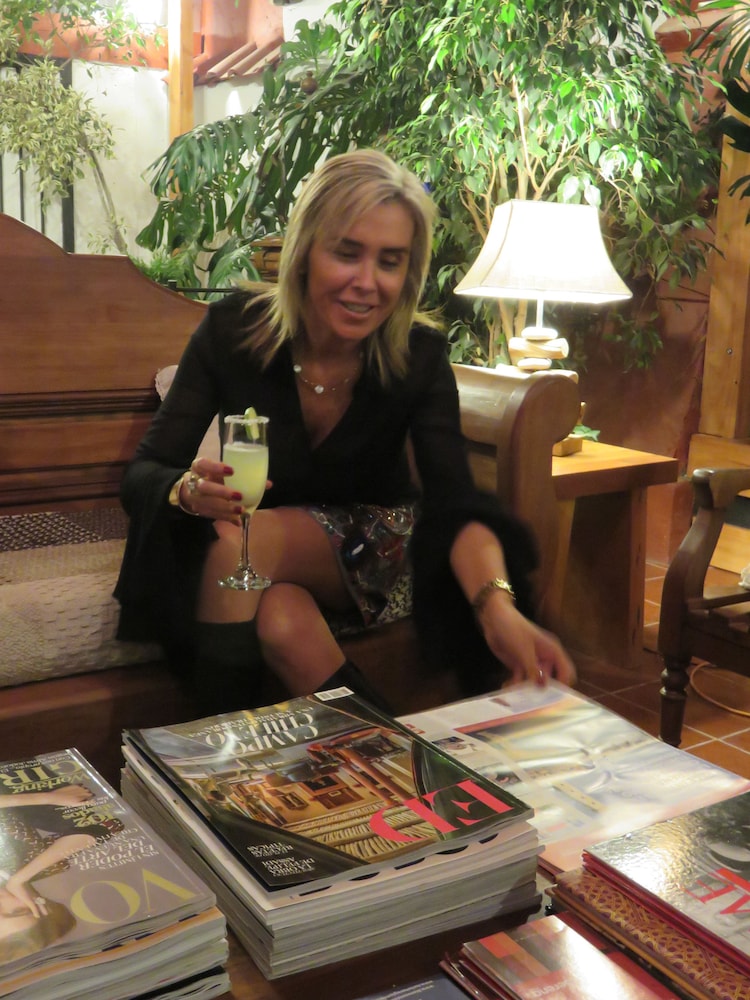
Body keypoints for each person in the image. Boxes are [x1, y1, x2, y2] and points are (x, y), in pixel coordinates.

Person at [115, 148, 575, 713]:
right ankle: (392, 752)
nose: (366, 282)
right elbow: (143, 472)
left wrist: (498, 607)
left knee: (236, 544)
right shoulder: (233, 331)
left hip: (378, 544)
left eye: (390, 261)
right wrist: (186, 490)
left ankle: (211, 753)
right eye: (347, 253)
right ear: (306, 252)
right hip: (271, 555)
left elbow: (455, 504)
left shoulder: (419, 356)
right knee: (280, 617)